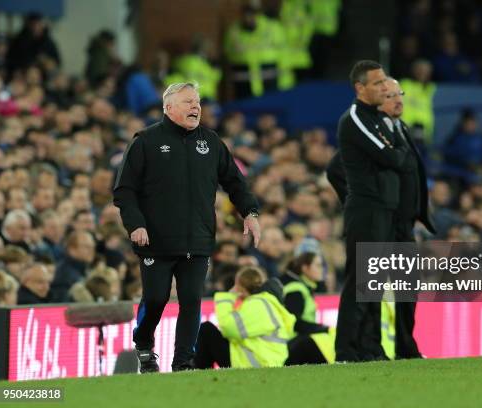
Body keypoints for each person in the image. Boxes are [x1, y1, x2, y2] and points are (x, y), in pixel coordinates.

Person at [113, 82, 261, 372]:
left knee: (191, 301)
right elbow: (124, 190)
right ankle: (143, 342)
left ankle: (182, 363)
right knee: (155, 299)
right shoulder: (145, 140)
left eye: (197, 102)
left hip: (198, 238)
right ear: (168, 108)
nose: (196, 107)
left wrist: (250, 212)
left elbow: (235, 182)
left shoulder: (212, 142)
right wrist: (136, 225)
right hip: (154, 239)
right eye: (187, 102)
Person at [327, 77, 434, 360]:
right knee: (370, 286)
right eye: (389, 95)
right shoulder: (369, 136)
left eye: (400, 93)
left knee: (407, 290)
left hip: (403, 224)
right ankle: (366, 348)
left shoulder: (399, 128)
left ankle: (405, 347)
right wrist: (356, 200)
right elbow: (335, 168)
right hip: (380, 218)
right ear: (377, 102)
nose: (398, 99)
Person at [193, 266, 295, 369]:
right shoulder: (266, 302)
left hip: (255, 363)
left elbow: (228, 328)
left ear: (239, 287)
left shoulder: (257, 304)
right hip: (266, 360)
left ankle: (199, 372)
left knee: (206, 330)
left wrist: (227, 297)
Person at [282, 252, 335, 365]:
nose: (322, 269)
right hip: (293, 341)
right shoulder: (295, 290)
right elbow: (295, 323)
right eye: (318, 265)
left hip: (300, 339)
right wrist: (322, 328)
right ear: (305, 268)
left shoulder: (303, 288)